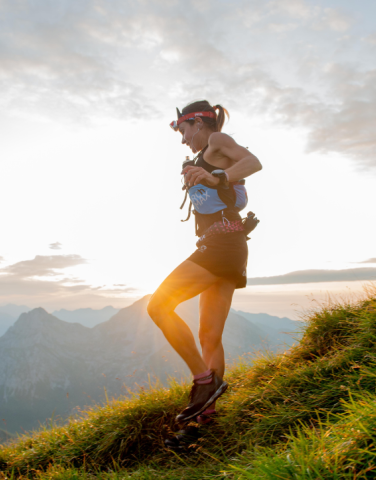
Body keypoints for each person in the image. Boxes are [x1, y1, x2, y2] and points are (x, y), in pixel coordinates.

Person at [147, 100, 262, 449]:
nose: (183, 140)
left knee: (157, 307)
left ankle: (204, 380)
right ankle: (203, 423)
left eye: (183, 131)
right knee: (209, 336)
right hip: (230, 246)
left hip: (220, 248)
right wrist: (215, 180)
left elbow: (254, 163)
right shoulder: (200, 157)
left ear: (197, 123)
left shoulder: (217, 142)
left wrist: (217, 177)